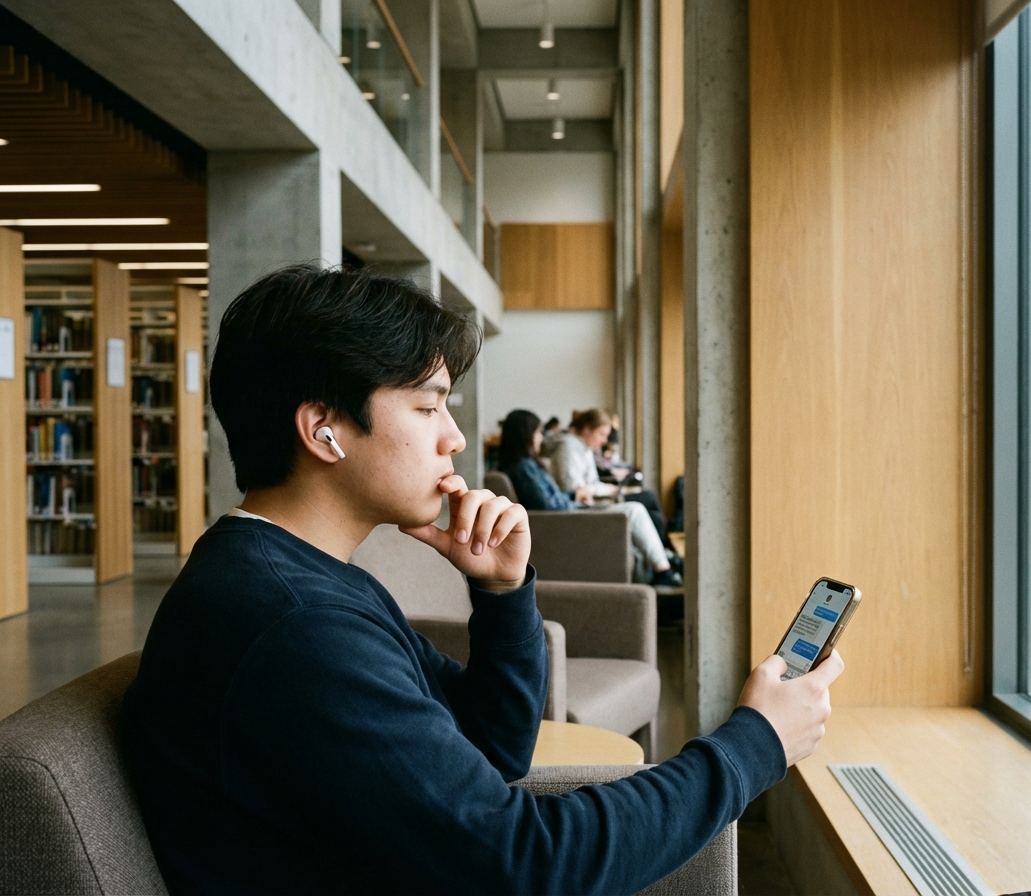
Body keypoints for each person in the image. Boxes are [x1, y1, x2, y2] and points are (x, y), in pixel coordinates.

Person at [122, 264, 844, 895]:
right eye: (428, 406)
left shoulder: (298, 577)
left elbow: (493, 749)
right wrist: (755, 746)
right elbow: (526, 864)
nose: (455, 438)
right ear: (324, 431)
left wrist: (501, 595)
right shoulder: (293, 624)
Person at [499, 409, 680, 587]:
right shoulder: (525, 468)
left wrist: (574, 495)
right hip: (569, 517)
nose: (541, 437)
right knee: (635, 510)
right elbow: (550, 505)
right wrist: (576, 496)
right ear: (526, 434)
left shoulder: (527, 466)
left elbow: (551, 499)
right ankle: (663, 570)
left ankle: (662, 564)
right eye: (537, 432)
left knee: (643, 506)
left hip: (571, 510)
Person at [552, 408, 671, 548]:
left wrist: (614, 489)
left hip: (595, 499)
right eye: (601, 434)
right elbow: (575, 489)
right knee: (649, 498)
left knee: (653, 513)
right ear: (586, 429)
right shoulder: (568, 447)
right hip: (585, 506)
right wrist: (613, 490)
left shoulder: (585, 448)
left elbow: (591, 484)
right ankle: (664, 551)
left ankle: (662, 551)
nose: (604, 441)